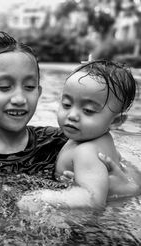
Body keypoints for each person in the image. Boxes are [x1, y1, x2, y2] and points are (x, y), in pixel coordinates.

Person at [0, 31, 140, 200]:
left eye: (29, 87)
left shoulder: (62, 140)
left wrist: (129, 187)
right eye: (4, 87)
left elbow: (121, 163)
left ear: (39, 92)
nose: (19, 99)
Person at [17, 60, 141, 210]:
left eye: (88, 110)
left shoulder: (86, 151)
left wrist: (42, 198)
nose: (72, 115)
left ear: (115, 121)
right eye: (67, 105)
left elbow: (93, 199)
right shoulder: (102, 140)